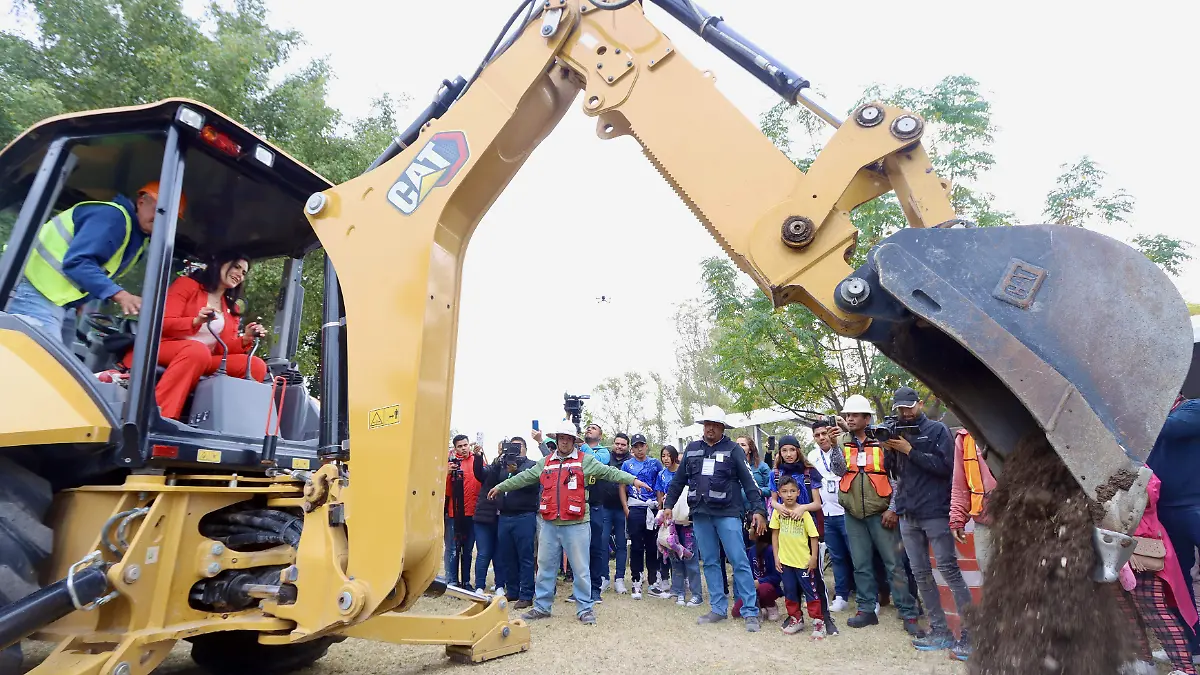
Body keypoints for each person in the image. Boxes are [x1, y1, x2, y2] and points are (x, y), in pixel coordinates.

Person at [488, 420, 649, 624]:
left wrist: (633, 480)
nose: (564, 442)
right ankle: (542, 606)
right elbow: (525, 477)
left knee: (581, 568)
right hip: (549, 523)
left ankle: (584, 608)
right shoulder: (546, 462)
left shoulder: (585, 460)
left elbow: (610, 472)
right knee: (546, 566)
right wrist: (501, 486)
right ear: (557, 439)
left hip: (577, 523)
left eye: (568, 438)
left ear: (574, 441)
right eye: (561, 438)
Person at [6, 182, 185, 341]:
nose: (162, 220)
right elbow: (77, 262)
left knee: (66, 369)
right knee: (45, 365)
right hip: (31, 290)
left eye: (170, 218)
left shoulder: (137, 237)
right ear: (142, 202)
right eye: (160, 211)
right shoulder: (112, 218)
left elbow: (98, 268)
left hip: (58, 301)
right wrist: (121, 295)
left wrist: (80, 301)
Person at [663, 405, 768, 632]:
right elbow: (678, 481)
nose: (710, 428)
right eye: (706, 424)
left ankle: (750, 611)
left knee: (738, 560)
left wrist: (759, 510)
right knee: (709, 562)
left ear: (722, 427)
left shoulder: (733, 450)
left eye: (714, 424)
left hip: (728, 513)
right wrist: (668, 505)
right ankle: (718, 609)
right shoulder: (691, 449)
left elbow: (750, 483)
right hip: (700, 515)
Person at [885, 386, 972, 652]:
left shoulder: (937, 430)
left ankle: (972, 632)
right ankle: (939, 630)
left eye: (909, 407)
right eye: (900, 408)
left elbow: (946, 468)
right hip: (907, 512)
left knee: (949, 570)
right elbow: (892, 472)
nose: (905, 412)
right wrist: (890, 447)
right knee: (921, 574)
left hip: (935, 510)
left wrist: (910, 450)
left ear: (920, 404)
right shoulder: (897, 431)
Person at [130, 252, 267, 420]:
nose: (239, 274)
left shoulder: (232, 309)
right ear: (220, 263)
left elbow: (220, 349)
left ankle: (231, 426)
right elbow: (162, 323)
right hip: (166, 347)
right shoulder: (187, 285)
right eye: (237, 267)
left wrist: (245, 338)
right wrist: (195, 321)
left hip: (202, 357)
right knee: (197, 351)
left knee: (255, 366)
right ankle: (157, 421)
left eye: (244, 273)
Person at [829, 394, 921, 635]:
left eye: (854, 415)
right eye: (847, 415)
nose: (849, 418)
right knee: (860, 565)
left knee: (894, 565)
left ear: (867, 418)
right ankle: (867, 609)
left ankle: (908, 613)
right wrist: (834, 447)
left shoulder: (884, 442)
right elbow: (838, 472)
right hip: (853, 513)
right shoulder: (844, 443)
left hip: (882, 513)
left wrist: (893, 508)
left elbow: (898, 478)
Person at [1117, 472, 1198, 675]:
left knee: (1154, 609)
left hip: (1142, 545)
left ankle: (1184, 669)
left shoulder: (1134, 465)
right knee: (1124, 609)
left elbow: (1150, 494)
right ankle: (1141, 662)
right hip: (1109, 543)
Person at [1147, 395, 1200, 653]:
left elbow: (1171, 428)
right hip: (1166, 510)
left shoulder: (1193, 408)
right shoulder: (1147, 422)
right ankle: (1194, 646)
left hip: (1195, 506)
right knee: (1179, 583)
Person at [478, 436, 539, 609]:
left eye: (518, 447)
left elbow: (531, 485)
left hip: (524, 516)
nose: (514, 450)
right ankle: (512, 591)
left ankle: (526, 595)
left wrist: (516, 470)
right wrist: (497, 460)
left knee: (525, 557)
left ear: (525, 448)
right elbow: (486, 477)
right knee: (507, 556)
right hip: (505, 516)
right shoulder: (503, 465)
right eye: (511, 447)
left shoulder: (531, 465)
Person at [807, 417, 854, 613]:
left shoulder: (842, 450)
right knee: (836, 557)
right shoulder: (812, 456)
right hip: (826, 513)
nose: (821, 438)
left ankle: (867, 596)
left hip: (847, 511)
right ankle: (841, 595)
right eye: (817, 435)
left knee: (856, 555)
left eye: (824, 434)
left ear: (830, 433)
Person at [770, 476, 825, 638]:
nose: (789, 495)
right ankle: (796, 619)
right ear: (779, 494)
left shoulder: (804, 513)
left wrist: (813, 557)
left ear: (798, 492)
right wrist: (776, 557)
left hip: (803, 562)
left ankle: (818, 622)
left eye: (792, 491)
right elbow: (775, 534)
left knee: (811, 592)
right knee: (790, 591)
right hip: (785, 562)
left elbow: (813, 537)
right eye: (785, 492)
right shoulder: (777, 513)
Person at [653, 445, 701, 605]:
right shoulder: (661, 475)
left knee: (690, 556)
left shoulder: (685, 473)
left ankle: (696, 594)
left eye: (668, 455)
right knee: (674, 557)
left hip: (686, 519)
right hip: (669, 521)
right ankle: (678, 591)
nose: (665, 459)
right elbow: (659, 496)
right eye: (663, 455)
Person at [622, 433, 664, 599]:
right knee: (637, 546)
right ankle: (636, 581)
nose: (639, 449)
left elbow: (661, 483)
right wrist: (626, 508)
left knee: (653, 546)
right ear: (632, 449)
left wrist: (661, 506)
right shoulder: (627, 465)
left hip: (652, 508)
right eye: (636, 446)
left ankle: (653, 582)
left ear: (646, 446)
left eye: (642, 445)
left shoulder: (655, 463)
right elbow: (621, 486)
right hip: (635, 508)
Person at [589, 432, 630, 599]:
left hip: (622, 508)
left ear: (627, 446)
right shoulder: (605, 457)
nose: (619, 447)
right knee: (602, 542)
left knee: (621, 543)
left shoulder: (630, 462)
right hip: (604, 506)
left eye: (623, 444)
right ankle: (604, 577)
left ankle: (619, 578)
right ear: (613, 444)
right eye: (617, 443)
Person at [949, 428, 997, 573]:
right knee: (987, 567)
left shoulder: (1010, 427)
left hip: (1017, 519)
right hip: (984, 519)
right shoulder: (964, 438)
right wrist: (957, 517)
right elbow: (959, 482)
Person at [443, 434, 480, 588]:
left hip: (472, 512)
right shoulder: (448, 464)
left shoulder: (477, 460)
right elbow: (441, 490)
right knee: (452, 549)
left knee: (468, 549)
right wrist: (447, 473)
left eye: (465, 445)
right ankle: (451, 582)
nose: (464, 448)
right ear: (455, 448)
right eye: (460, 446)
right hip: (454, 513)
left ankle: (466, 581)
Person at [737, 436, 772, 502]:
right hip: (737, 509)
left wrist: (759, 491)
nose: (739, 447)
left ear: (750, 449)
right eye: (737, 445)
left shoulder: (762, 466)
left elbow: (771, 489)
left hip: (757, 508)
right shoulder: (731, 467)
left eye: (743, 445)